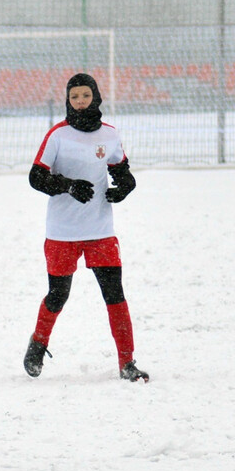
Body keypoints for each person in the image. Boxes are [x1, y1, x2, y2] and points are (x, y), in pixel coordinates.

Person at [24, 73, 149, 383]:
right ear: (68, 100)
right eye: (74, 96)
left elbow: (123, 172)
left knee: (115, 294)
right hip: (62, 232)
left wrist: (123, 189)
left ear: (95, 97)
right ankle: (37, 344)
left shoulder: (109, 135)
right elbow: (35, 177)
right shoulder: (57, 135)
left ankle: (127, 362)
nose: (80, 101)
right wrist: (67, 186)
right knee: (58, 295)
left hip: (101, 231)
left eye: (85, 95)